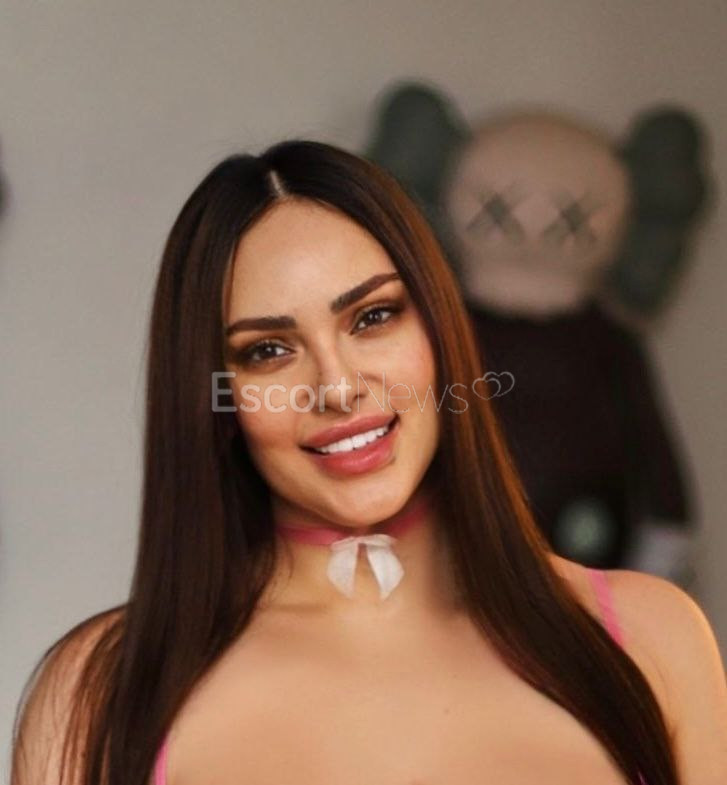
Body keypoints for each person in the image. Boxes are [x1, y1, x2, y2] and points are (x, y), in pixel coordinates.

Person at [10, 140, 727, 785]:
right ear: (218, 399)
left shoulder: (649, 637)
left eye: (373, 316)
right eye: (268, 350)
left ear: (441, 331)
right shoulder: (98, 691)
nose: (337, 387)